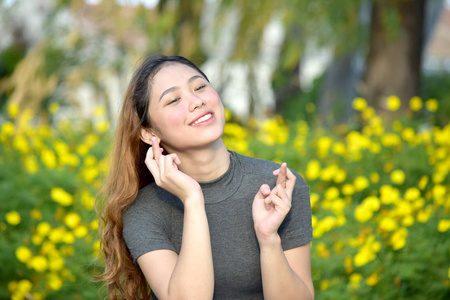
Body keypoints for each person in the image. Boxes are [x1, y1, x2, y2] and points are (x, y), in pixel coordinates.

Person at [97, 54, 314, 300]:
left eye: (199, 87)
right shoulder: (144, 210)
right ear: (148, 133)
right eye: (174, 100)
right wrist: (192, 199)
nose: (196, 101)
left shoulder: (279, 186)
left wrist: (268, 239)